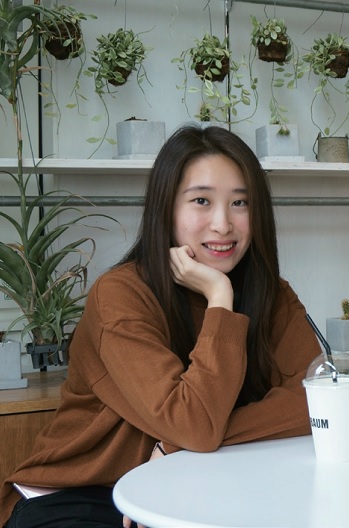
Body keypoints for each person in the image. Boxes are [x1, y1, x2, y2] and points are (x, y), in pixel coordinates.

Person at [1, 125, 321, 527]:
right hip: (81, 495)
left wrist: (174, 448)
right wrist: (219, 296)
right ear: (166, 208)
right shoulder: (120, 295)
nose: (223, 223)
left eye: (240, 203)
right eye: (201, 200)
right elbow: (195, 425)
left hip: (190, 485)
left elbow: (317, 404)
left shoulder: (272, 294)